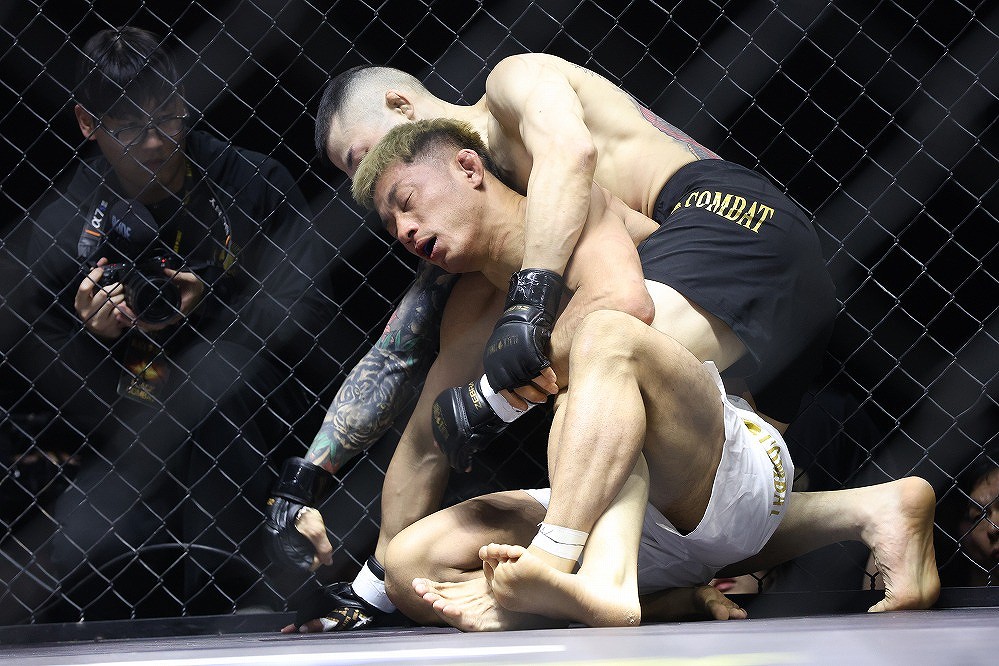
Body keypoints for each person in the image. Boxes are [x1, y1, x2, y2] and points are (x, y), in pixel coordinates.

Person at [285, 119, 937, 632]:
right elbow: (426, 444)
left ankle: (568, 568)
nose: (404, 229)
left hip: (715, 464)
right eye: (391, 224)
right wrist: (368, 593)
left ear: (468, 167)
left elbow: (629, 307)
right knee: (411, 565)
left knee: (603, 336)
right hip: (618, 513)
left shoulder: (578, 209)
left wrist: (492, 398)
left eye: (407, 203)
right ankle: (654, 595)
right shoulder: (467, 307)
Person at [4, 26, 328, 620]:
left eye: (168, 118)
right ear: (88, 123)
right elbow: (37, 361)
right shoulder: (64, 223)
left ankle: (236, 600)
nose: (154, 142)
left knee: (214, 383)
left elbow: (309, 316)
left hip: (249, 406)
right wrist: (91, 333)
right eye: (129, 127)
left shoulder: (252, 183)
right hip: (127, 413)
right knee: (79, 556)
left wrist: (211, 301)